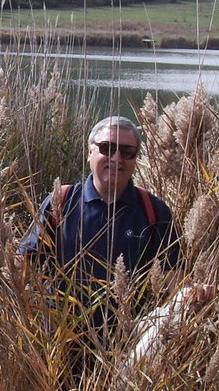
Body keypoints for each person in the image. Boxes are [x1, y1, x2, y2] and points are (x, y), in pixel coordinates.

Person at [16, 116, 183, 370]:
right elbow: (25, 266)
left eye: (127, 152)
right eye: (108, 148)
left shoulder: (154, 211)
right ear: (89, 152)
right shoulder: (60, 202)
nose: (117, 158)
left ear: (136, 159)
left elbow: (174, 279)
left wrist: (190, 295)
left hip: (130, 349)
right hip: (60, 345)